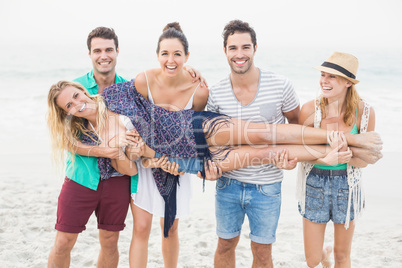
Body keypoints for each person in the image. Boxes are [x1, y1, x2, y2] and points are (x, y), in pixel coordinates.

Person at [205, 19, 303, 267]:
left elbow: (297, 129)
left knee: (262, 252)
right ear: (225, 51)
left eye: (245, 47)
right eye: (233, 48)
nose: (239, 54)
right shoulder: (215, 93)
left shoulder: (281, 85)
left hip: (267, 186)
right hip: (228, 184)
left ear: (255, 49)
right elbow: (212, 144)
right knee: (225, 245)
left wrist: (290, 159)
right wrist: (213, 170)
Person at [47, 27, 133, 268]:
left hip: (118, 179)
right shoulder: (73, 91)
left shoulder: (129, 90)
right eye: (97, 50)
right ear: (90, 54)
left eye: (108, 49)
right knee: (64, 241)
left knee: (109, 241)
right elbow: (63, 139)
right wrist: (102, 150)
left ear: (117, 51)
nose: (103, 55)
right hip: (81, 178)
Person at [126, 22, 210, 268]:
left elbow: (195, 136)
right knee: (141, 228)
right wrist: (147, 156)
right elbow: (134, 122)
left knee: (170, 229)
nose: (170, 59)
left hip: (177, 165)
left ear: (187, 56)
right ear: (157, 55)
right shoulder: (144, 81)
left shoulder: (199, 90)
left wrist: (179, 164)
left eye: (177, 54)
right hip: (145, 162)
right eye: (165, 53)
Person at [296, 51, 376, 268]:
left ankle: (332, 256)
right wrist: (326, 159)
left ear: (348, 82)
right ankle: (324, 256)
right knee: (312, 260)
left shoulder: (365, 112)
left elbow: (364, 160)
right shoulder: (309, 110)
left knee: (343, 256)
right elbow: (301, 155)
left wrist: (351, 158)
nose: (324, 81)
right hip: (315, 183)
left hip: (347, 186)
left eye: (332, 76)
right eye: (323, 74)